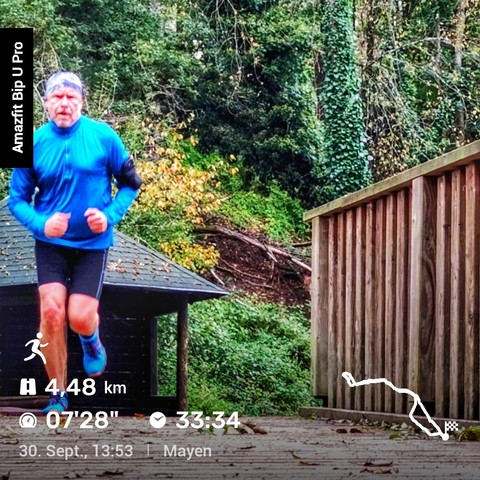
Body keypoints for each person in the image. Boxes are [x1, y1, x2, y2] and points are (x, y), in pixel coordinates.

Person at [8, 71, 142, 413]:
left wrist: (110, 216)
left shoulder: (104, 136)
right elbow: (16, 199)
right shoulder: (32, 143)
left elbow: (131, 183)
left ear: (81, 101)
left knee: (79, 317)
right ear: (47, 102)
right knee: (51, 311)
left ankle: (91, 340)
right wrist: (41, 222)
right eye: (57, 97)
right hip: (51, 242)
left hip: (92, 244)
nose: (64, 103)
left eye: (71, 97)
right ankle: (58, 394)